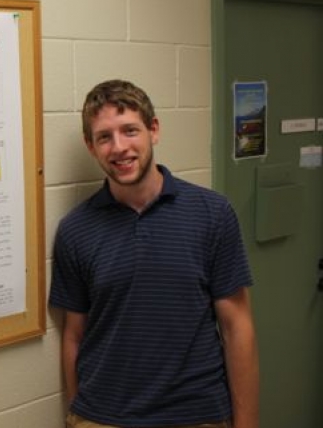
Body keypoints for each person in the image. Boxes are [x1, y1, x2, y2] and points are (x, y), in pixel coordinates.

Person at [49, 79, 259, 428]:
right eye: (104, 137)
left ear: (154, 130)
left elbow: (238, 327)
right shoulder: (75, 229)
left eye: (130, 130)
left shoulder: (212, 213)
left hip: (196, 415)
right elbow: (74, 335)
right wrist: (79, 414)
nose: (119, 148)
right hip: (102, 418)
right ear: (91, 146)